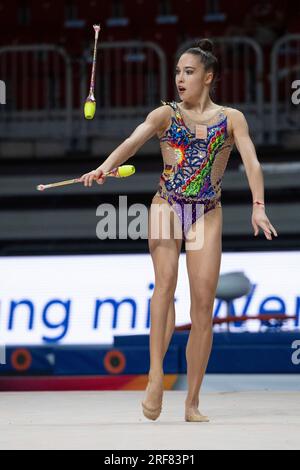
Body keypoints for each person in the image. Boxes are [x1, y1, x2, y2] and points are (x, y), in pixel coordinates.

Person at [79, 38, 278, 422]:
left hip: (207, 211)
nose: (180, 79)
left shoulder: (231, 118)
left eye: (188, 72)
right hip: (167, 205)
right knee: (165, 284)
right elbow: (132, 142)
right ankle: (155, 376)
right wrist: (103, 167)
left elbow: (252, 163)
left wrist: (258, 205)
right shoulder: (165, 115)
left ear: (208, 77)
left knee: (203, 307)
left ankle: (192, 402)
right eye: (177, 72)